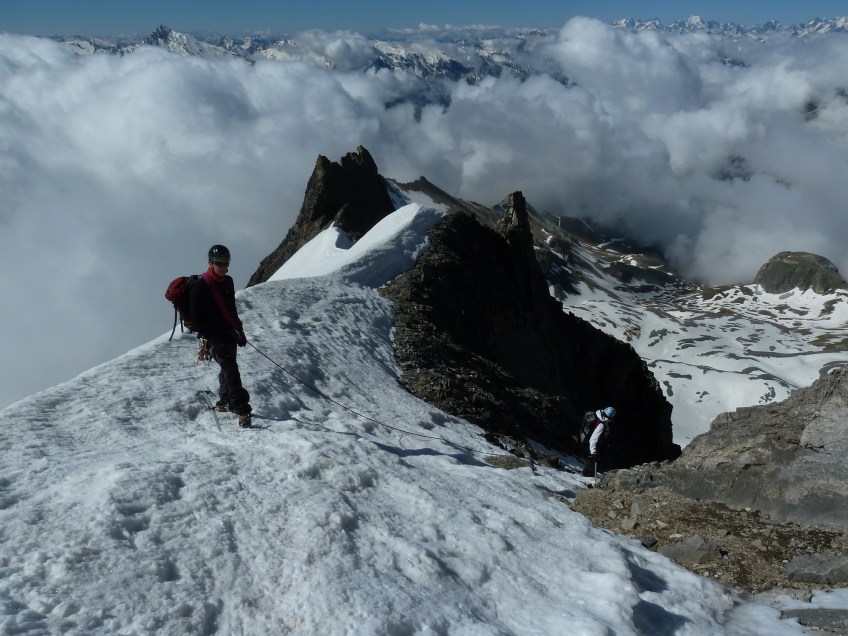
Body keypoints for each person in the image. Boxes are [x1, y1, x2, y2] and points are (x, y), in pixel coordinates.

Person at [190, 244, 252, 428]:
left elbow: (231, 309)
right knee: (231, 369)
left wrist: (239, 332)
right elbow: (196, 321)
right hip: (212, 337)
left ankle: (225, 402)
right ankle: (242, 411)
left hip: (229, 334)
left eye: (227, 263)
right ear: (211, 263)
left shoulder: (228, 281)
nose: (224, 267)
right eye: (220, 263)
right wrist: (214, 339)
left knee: (228, 369)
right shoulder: (199, 288)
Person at [581, 406, 616, 477]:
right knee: (595, 460)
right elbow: (593, 439)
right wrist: (593, 452)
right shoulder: (601, 425)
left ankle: (586, 473)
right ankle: (588, 475)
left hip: (595, 442)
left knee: (595, 459)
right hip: (595, 444)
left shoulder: (598, 416)